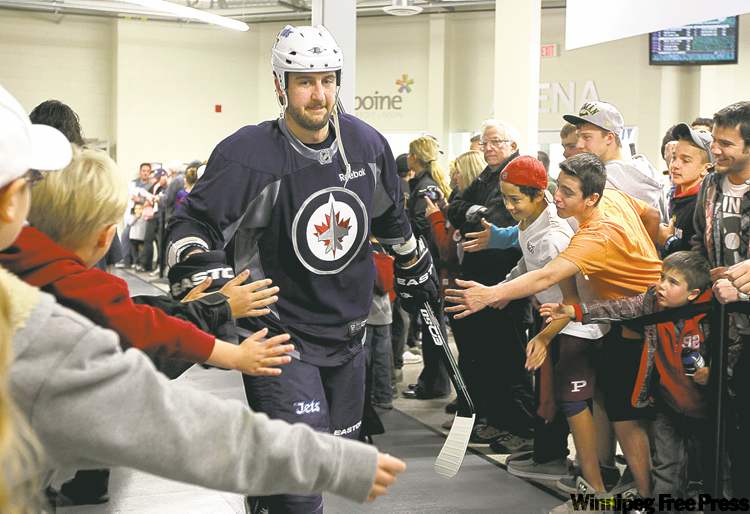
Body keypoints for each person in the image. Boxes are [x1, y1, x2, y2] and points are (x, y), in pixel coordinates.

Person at [0, 83, 405, 511]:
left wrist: (217, 320)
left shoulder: (36, 284)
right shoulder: (46, 305)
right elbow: (168, 419)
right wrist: (330, 462)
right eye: (31, 181)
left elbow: (138, 324)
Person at [166, 25, 437, 513]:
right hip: (279, 336)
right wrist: (210, 277)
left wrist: (414, 262)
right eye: (305, 81)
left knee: (325, 457)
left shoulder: (366, 144)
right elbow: (193, 224)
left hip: (347, 333)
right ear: (280, 85)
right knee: (301, 483)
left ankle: (264, 494)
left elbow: (391, 219)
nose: (320, 94)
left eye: (328, 80)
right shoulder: (248, 154)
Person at [446, 153, 663, 500]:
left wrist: (494, 297)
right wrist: (644, 260)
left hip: (608, 321)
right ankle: (609, 484)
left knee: (596, 405)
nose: (556, 197)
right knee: (613, 406)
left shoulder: (579, 235)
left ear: (590, 198)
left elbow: (559, 288)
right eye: (556, 187)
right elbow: (651, 216)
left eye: (566, 192)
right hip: (608, 316)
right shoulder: (604, 198)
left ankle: (600, 491)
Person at [541, 251, 713, 501]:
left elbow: (732, 348)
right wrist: (573, 311)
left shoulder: (713, 312)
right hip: (669, 406)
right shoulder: (652, 301)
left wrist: (715, 373)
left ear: (693, 293)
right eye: (662, 277)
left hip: (708, 410)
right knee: (667, 469)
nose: (661, 286)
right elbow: (618, 308)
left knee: (712, 469)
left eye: (672, 282)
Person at [445, 119, 534, 450]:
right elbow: (454, 207)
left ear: (513, 145)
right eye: (485, 143)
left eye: (496, 142)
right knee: (484, 354)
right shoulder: (485, 176)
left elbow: (498, 221)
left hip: (506, 283)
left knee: (508, 357)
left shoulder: (519, 172)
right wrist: (475, 211)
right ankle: (495, 420)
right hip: (479, 278)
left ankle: (521, 427)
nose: (489, 148)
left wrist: (475, 214)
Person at [692, 101, 750, 497]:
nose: (716, 150)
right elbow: (699, 239)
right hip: (718, 316)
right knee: (719, 415)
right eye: (715, 141)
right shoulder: (711, 184)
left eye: (727, 143)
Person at [402, 135, 451, 400]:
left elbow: (425, 229)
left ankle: (435, 382)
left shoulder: (424, 189)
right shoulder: (425, 185)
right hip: (430, 266)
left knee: (433, 327)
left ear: (415, 157)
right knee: (432, 326)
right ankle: (432, 380)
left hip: (428, 267)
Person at [565, 100, 668, 221]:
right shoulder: (644, 170)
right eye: (579, 136)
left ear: (609, 138)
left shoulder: (603, 181)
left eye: (587, 137)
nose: (580, 145)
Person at [661, 123, 713, 256]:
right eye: (674, 157)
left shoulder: (702, 205)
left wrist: (667, 240)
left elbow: (695, 255)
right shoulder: (677, 196)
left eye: (685, 160)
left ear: (706, 169)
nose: (675, 165)